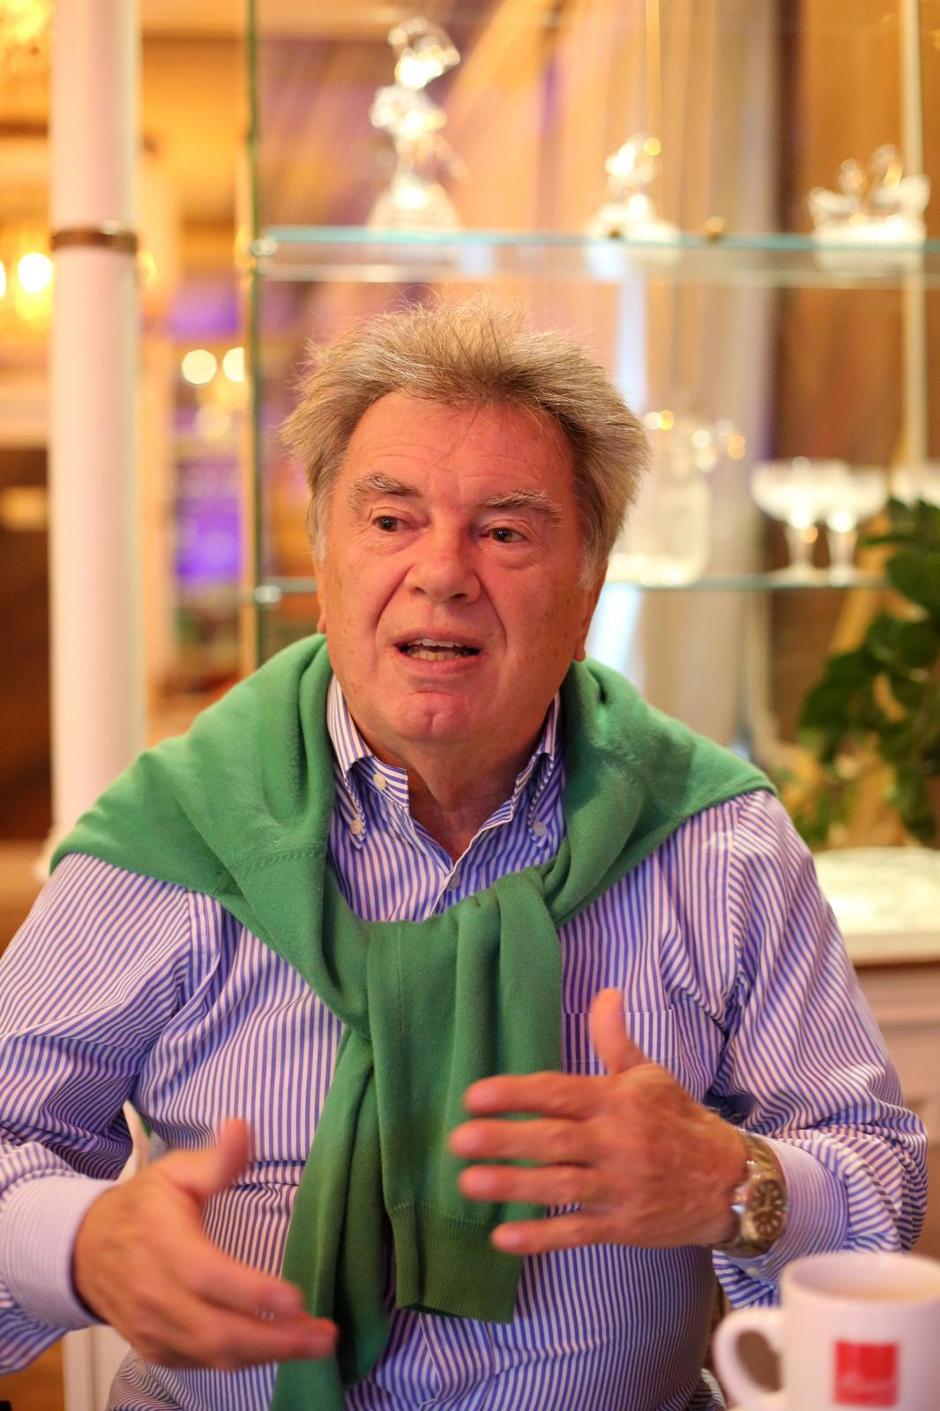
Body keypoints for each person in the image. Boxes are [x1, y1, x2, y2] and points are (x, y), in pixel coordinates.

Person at [0, 300, 926, 1411]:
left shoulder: (716, 842)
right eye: (391, 519)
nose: (441, 571)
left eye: (505, 532)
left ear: (587, 587)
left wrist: (733, 1180)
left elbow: (878, 1172)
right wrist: (84, 1240)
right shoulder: (174, 835)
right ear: (323, 560)